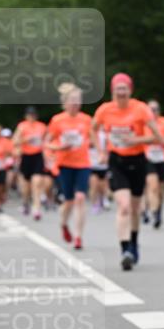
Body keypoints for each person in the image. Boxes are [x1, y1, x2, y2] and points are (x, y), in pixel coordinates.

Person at [92, 73, 164, 270]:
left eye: (124, 89)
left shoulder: (141, 109)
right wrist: (100, 151)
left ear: (130, 91)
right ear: (112, 91)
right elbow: (93, 129)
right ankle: (125, 250)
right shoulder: (105, 110)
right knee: (123, 206)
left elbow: (157, 137)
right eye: (118, 89)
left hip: (138, 160)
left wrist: (136, 140)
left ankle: (133, 241)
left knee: (135, 208)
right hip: (117, 161)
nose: (121, 92)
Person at [45, 83, 95, 250]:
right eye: (72, 100)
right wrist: (59, 148)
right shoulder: (57, 120)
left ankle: (79, 237)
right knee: (69, 201)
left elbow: (95, 141)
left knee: (80, 198)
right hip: (64, 164)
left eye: (78, 100)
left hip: (83, 164)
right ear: (65, 102)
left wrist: (102, 153)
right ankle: (64, 224)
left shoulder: (87, 120)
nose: (75, 103)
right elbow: (47, 143)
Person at [13, 106, 47, 220]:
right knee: (26, 185)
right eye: (29, 115)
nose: (31, 117)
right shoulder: (22, 126)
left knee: (37, 182)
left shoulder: (42, 126)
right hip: (26, 156)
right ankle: (25, 202)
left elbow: (47, 141)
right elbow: (15, 141)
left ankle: (36, 209)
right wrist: (26, 139)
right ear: (26, 116)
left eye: (33, 115)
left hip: (38, 155)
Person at [144, 100, 164, 229]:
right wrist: (149, 141)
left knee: (161, 189)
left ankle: (158, 212)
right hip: (148, 157)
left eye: (155, 109)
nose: (153, 112)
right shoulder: (143, 123)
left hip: (163, 158)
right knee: (152, 186)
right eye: (150, 109)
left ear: (158, 111)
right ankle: (154, 211)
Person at [88, 127, 110, 213]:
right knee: (93, 185)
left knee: (102, 186)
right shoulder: (88, 134)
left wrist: (107, 157)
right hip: (91, 164)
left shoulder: (104, 135)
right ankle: (94, 204)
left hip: (103, 165)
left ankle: (103, 198)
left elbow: (109, 147)